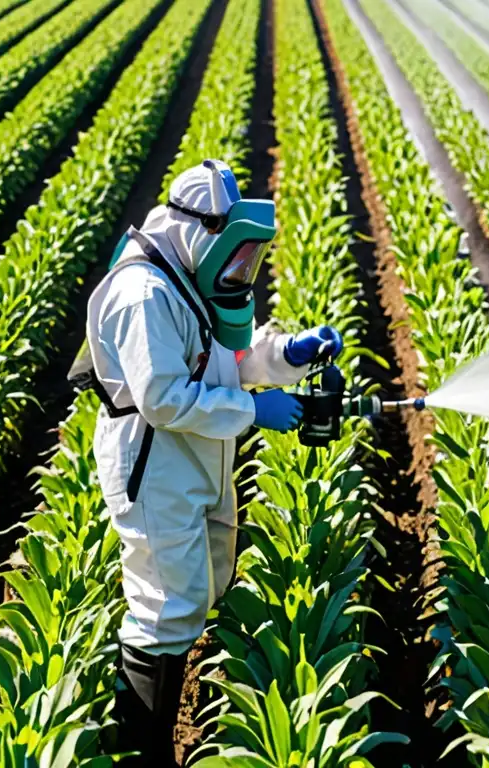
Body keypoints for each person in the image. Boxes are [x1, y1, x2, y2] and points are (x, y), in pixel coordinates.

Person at [83, 159, 343, 763]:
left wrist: (288, 353)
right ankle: (146, 752)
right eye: (236, 254)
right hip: (155, 463)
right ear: (203, 232)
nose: (240, 270)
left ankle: (171, 712)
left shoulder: (191, 273)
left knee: (202, 585)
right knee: (164, 609)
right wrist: (255, 413)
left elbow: (232, 360)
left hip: (196, 451)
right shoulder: (144, 293)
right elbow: (164, 398)